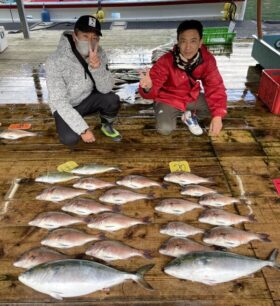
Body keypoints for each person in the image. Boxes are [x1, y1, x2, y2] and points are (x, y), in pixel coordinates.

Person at [139, 19, 227, 137]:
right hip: (168, 98)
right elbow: (150, 91)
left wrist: (217, 116)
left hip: (190, 96)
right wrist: (148, 88)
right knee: (165, 129)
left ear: (201, 42)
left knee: (218, 111)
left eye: (193, 41)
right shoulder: (166, 60)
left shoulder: (207, 60)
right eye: (183, 41)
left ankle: (188, 116)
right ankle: (167, 112)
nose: (188, 47)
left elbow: (215, 86)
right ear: (178, 42)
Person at [45, 15, 121, 147]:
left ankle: (106, 125)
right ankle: (76, 121)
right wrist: (83, 129)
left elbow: (106, 88)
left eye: (94, 38)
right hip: (66, 105)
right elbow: (58, 101)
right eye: (85, 36)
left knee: (112, 99)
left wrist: (97, 68)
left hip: (87, 99)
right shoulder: (55, 60)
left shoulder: (100, 53)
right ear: (75, 36)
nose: (90, 41)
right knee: (70, 139)